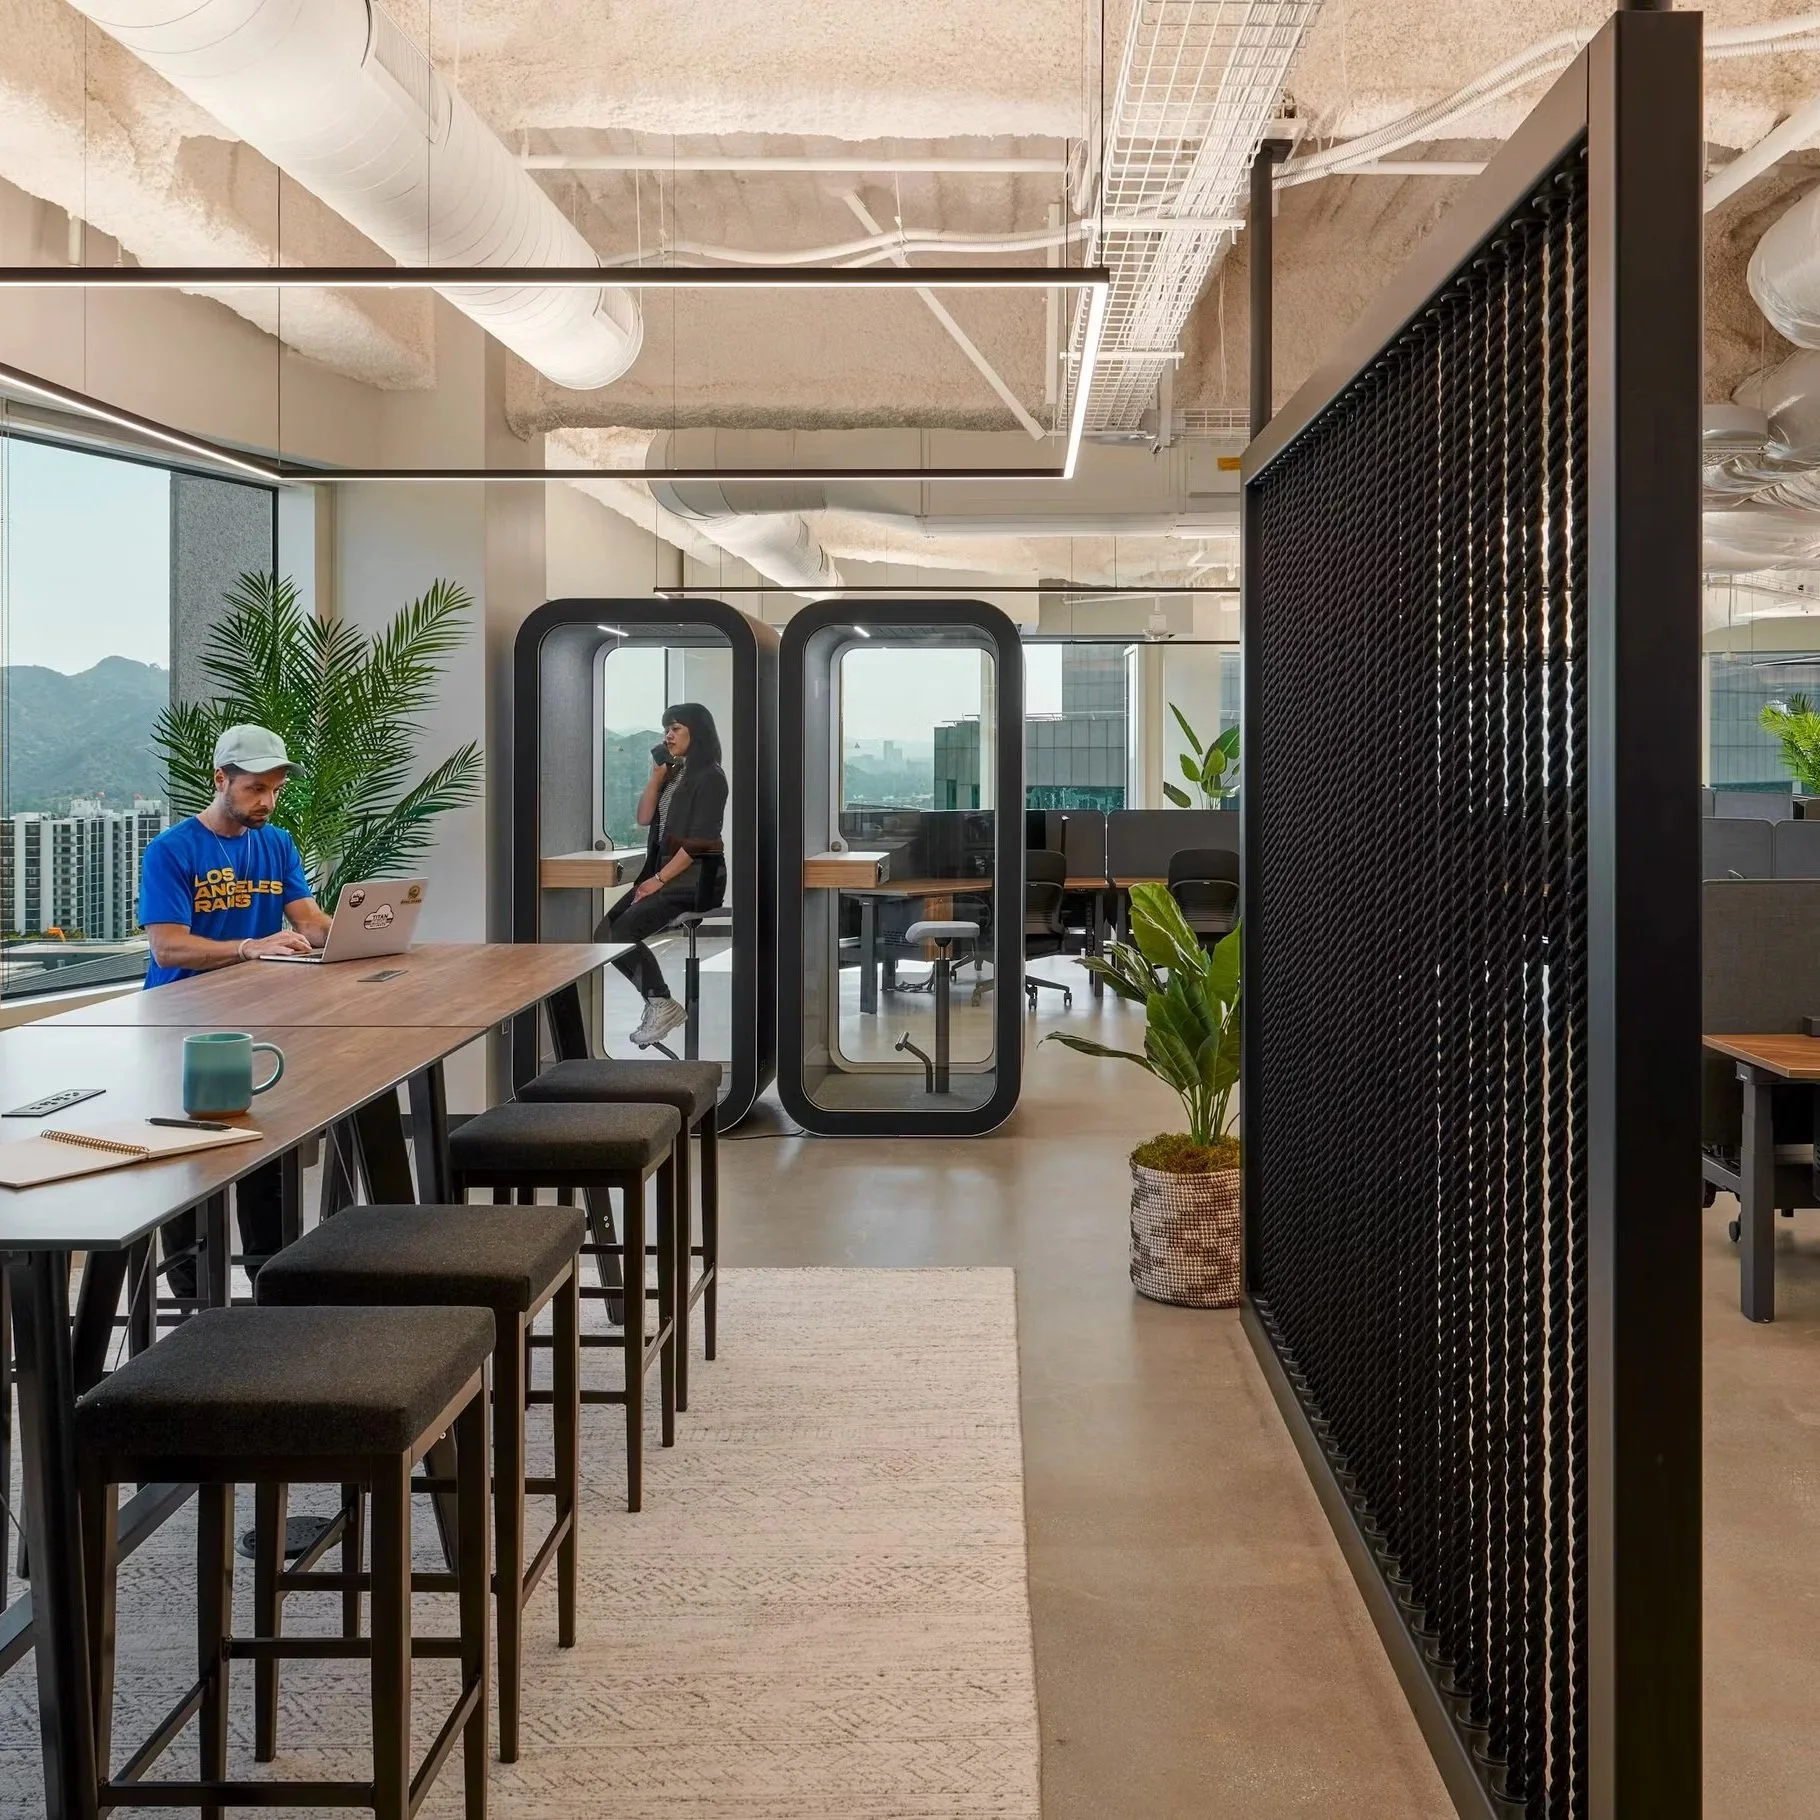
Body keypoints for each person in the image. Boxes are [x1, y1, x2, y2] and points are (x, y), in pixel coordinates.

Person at [139, 724, 333, 1294]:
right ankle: (194, 1301)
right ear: (220, 779)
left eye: (274, 789)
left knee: (268, 1154)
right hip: (182, 1022)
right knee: (190, 1160)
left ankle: (272, 1289)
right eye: (255, 788)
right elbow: (168, 947)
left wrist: (361, 930)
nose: (267, 801)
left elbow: (307, 920)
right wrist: (248, 947)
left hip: (255, 1017)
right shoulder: (172, 849)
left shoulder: (276, 843)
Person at [598, 701, 729, 1049]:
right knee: (604, 935)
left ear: (696, 732)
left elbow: (699, 842)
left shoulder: (711, 777)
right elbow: (644, 818)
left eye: (676, 728)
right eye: (666, 729)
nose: (668, 735)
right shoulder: (674, 775)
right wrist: (656, 777)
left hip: (695, 879)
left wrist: (657, 881)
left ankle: (660, 1002)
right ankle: (660, 1002)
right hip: (664, 873)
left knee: (622, 931)